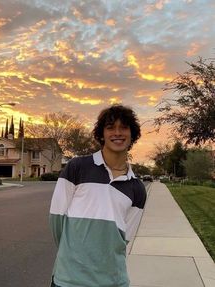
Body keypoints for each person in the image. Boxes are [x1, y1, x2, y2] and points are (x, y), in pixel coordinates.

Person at [49, 104, 147, 287]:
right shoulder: (77, 168)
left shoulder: (137, 188)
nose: (117, 133)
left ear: (132, 135)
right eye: (110, 128)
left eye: (124, 127)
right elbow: (57, 220)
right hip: (69, 280)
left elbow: (123, 239)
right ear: (101, 134)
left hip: (113, 281)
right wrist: (72, 257)